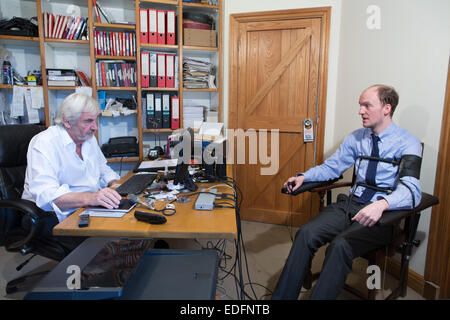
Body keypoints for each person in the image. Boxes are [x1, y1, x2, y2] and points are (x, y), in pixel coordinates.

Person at [271, 84, 422, 300]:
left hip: (382, 215)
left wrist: (382, 204)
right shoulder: (356, 138)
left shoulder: (408, 143)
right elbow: (332, 167)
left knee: (340, 245)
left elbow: (412, 190)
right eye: (360, 105)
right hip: (350, 204)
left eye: (367, 105)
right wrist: (305, 177)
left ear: (387, 108)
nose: (360, 111)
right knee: (306, 233)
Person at [22, 93, 122, 250]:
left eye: (95, 119)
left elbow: (103, 170)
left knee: (131, 228)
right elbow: (47, 196)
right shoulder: (45, 143)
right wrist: (92, 197)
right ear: (67, 122)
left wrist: (116, 185)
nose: (95, 127)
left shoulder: (89, 139)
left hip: (86, 207)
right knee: (106, 246)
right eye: (88, 121)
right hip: (50, 214)